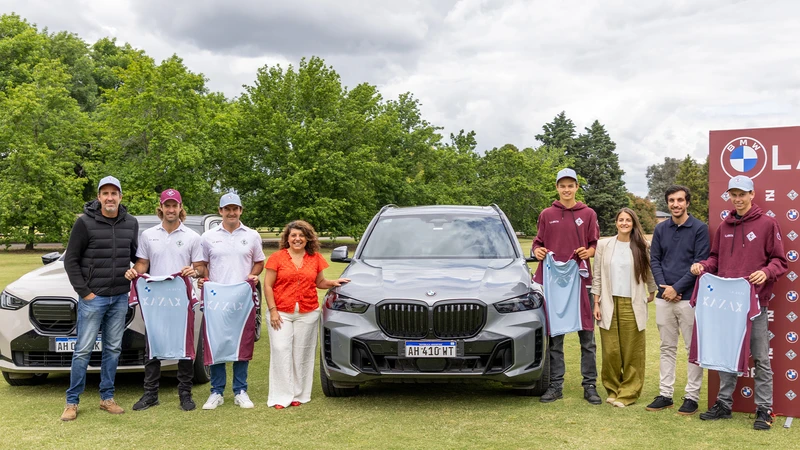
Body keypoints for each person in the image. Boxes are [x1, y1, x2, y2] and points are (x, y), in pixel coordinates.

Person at [691, 175, 787, 430]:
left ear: (752, 194)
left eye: (742, 194)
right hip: (727, 305)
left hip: (755, 304)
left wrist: (765, 272)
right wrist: (703, 266)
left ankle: (764, 409)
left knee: (760, 358)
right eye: (734, 194)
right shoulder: (725, 226)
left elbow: (780, 261)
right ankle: (724, 404)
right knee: (727, 354)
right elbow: (715, 259)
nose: (738, 199)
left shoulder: (767, 224)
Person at [60, 176, 139, 421]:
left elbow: (138, 257)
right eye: (105, 193)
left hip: (119, 297)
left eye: (114, 193)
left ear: (121, 197)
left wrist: (135, 271)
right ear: (99, 197)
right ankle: (72, 402)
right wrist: (85, 292)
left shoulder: (131, 223)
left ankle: (107, 398)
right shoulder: (84, 223)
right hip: (93, 298)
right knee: (82, 350)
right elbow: (70, 260)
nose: (109, 198)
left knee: (112, 349)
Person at [124, 189, 204, 412]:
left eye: (174, 205)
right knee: (153, 345)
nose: (171, 209)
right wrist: (133, 272)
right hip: (156, 300)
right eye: (167, 205)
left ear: (180, 208)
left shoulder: (192, 237)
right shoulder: (149, 235)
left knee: (184, 346)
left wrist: (194, 271)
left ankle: (185, 394)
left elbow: (201, 268)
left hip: (182, 300)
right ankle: (151, 394)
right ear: (161, 207)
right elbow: (142, 264)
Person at [532, 168, 601, 405]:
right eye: (562, 185)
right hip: (553, 284)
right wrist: (537, 251)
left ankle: (590, 386)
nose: (566, 189)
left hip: (581, 282)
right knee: (555, 338)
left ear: (577, 187)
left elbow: (594, 245)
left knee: (587, 338)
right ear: (557, 188)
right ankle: (555, 385)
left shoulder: (588, 213)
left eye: (570, 185)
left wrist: (588, 252)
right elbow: (537, 244)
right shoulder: (546, 214)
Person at [264, 220, 349, 409]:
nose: (297, 239)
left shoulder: (315, 258)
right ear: (287, 238)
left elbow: (320, 282)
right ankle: (281, 396)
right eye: (293, 235)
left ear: (307, 238)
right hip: (281, 312)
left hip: (307, 311)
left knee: (302, 353)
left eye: (301, 235)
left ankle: (299, 395)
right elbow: (268, 285)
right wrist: (273, 311)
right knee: (281, 350)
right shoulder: (277, 258)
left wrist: (334, 282)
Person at [197, 193, 265, 410]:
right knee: (217, 343)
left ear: (241, 210)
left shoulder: (252, 235)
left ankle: (240, 390)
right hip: (217, 299)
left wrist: (254, 275)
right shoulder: (208, 237)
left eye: (235, 208)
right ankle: (216, 392)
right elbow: (202, 264)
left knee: (241, 342)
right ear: (220, 211)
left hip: (241, 299)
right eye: (227, 209)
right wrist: (203, 278)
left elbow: (259, 262)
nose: (231, 212)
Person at [646, 186, 709, 415]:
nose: (675, 204)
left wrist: (677, 289)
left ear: (687, 203)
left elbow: (699, 263)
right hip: (665, 299)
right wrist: (665, 289)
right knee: (666, 348)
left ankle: (691, 397)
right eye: (671, 200)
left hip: (689, 299)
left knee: (692, 349)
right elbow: (655, 261)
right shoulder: (661, 229)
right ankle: (665, 394)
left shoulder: (700, 229)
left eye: (680, 200)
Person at [592, 208, 657, 407]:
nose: (624, 223)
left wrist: (652, 291)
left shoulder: (641, 245)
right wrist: (596, 302)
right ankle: (612, 389)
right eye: (621, 220)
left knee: (632, 351)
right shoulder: (603, 245)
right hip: (608, 302)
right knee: (610, 351)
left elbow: (649, 272)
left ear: (633, 223)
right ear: (616, 222)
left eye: (628, 220)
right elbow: (597, 276)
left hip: (632, 303)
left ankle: (628, 393)